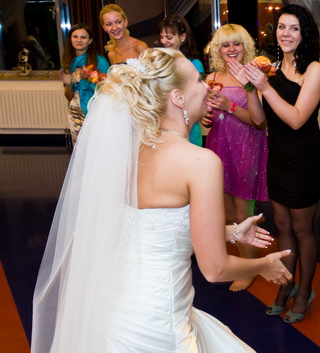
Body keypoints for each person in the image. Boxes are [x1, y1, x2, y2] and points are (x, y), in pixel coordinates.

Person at [32, 47, 292, 352]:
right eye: (198, 81)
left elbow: (153, 230)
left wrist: (229, 232)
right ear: (178, 98)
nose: (207, 86)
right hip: (159, 322)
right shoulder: (200, 162)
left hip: (114, 309)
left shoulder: (130, 151)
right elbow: (215, 269)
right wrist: (263, 265)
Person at [228, 4, 320, 323]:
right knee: (283, 227)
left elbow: (296, 119)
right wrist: (250, 87)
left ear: (305, 33)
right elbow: (259, 120)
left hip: (304, 160)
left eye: (294, 28)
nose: (286, 33)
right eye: (282, 27)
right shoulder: (269, 69)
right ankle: (286, 285)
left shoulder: (314, 69)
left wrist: (264, 86)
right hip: (278, 157)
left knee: (302, 229)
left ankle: (304, 292)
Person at [201, 24, 269, 291]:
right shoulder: (211, 77)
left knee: (243, 213)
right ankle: (240, 262)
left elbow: (259, 122)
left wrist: (227, 106)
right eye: (225, 44)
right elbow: (206, 117)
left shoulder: (255, 76)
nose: (231, 49)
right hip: (218, 147)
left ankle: (251, 268)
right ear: (218, 49)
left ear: (245, 46)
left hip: (246, 148)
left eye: (236, 43)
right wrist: (205, 117)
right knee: (227, 213)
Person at [58, 23, 110, 145]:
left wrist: (90, 79)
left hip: (96, 109)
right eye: (75, 36)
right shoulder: (67, 63)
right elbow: (69, 97)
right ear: (70, 39)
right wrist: (69, 84)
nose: (79, 40)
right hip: (75, 113)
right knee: (79, 147)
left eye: (83, 37)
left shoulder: (100, 61)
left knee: (96, 146)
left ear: (90, 40)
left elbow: (108, 91)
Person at [159, 15, 205, 145]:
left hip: (188, 126)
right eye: (162, 37)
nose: (164, 41)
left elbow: (193, 97)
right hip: (163, 126)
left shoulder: (194, 64)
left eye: (169, 37)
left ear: (182, 37)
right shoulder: (160, 64)